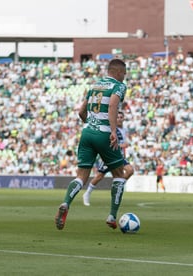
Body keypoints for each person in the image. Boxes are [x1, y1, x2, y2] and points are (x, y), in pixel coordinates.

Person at [54, 59, 127, 230]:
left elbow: (81, 111)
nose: (124, 77)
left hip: (87, 133)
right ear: (117, 72)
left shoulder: (95, 85)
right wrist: (113, 131)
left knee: (81, 176)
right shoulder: (119, 86)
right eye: (124, 73)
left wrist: (90, 126)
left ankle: (66, 203)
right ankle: (112, 216)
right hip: (104, 133)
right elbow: (113, 106)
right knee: (119, 174)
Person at [82, 111, 134, 206]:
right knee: (99, 176)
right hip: (110, 156)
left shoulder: (125, 130)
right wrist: (121, 145)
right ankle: (87, 193)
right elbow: (108, 142)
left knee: (130, 170)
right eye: (117, 117)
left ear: (123, 119)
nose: (119, 119)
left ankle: (118, 186)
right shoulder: (112, 129)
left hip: (120, 157)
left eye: (121, 117)